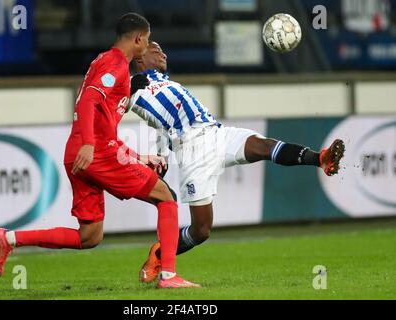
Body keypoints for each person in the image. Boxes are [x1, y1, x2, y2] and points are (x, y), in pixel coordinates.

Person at [0, 14, 200, 289]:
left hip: (79, 154)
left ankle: (10, 239)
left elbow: (106, 129)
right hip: (94, 153)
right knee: (166, 196)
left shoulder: (103, 61)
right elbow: (89, 100)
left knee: (89, 236)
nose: (146, 46)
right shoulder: (115, 64)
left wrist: (139, 157)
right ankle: (169, 276)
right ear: (138, 39)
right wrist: (89, 144)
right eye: (146, 41)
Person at [129, 41, 346, 283]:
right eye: (155, 48)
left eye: (162, 49)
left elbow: (162, 122)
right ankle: (160, 253)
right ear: (138, 57)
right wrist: (126, 87)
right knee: (201, 230)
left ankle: (320, 159)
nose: (162, 52)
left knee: (262, 146)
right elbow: (107, 99)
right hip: (192, 151)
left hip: (217, 133)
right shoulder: (132, 88)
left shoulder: (165, 81)